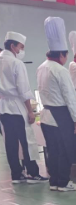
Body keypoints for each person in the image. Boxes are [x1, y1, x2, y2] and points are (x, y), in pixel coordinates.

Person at [37, 17, 76, 192]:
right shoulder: (60, 70)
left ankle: (54, 181)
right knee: (64, 149)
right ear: (62, 55)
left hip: (46, 114)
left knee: (52, 150)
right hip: (60, 115)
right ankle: (63, 182)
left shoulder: (41, 67)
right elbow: (70, 96)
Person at [0, 31, 48, 184]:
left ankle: (16, 174)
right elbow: (23, 90)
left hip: (2, 107)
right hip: (16, 107)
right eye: (21, 47)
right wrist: (30, 111)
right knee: (27, 141)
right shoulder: (16, 63)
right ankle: (33, 173)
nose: (22, 50)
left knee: (10, 142)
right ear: (13, 46)